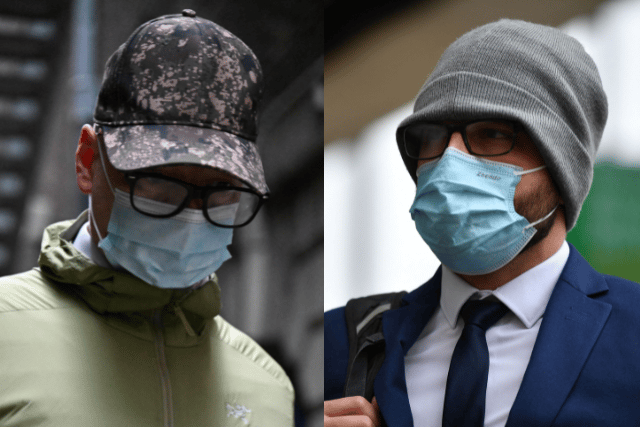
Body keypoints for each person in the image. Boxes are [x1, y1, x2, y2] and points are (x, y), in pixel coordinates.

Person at [324, 19, 640, 427]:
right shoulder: (338, 344)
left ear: (564, 170)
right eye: (432, 136)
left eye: (492, 133)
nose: (448, 160)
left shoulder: (632, 334)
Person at [0, 10, 294, 426]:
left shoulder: (266, 386)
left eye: (220, 190)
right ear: (88, 161)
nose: (192, 218)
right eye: (159, 181)